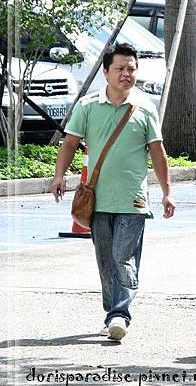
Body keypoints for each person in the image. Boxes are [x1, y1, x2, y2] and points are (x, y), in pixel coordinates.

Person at [50, 43, 175, 341]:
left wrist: (167, 192)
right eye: (120, 68)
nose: (126, 74)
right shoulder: (88, 106)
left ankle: (121, 313)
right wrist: (58, 176)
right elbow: (69, 144)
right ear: (105, 73)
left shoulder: (144, 108)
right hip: (97, 198)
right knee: (105, 259)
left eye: (131, 69)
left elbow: (158, 153)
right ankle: (112, 314)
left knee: (123, 255)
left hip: (133, 199)